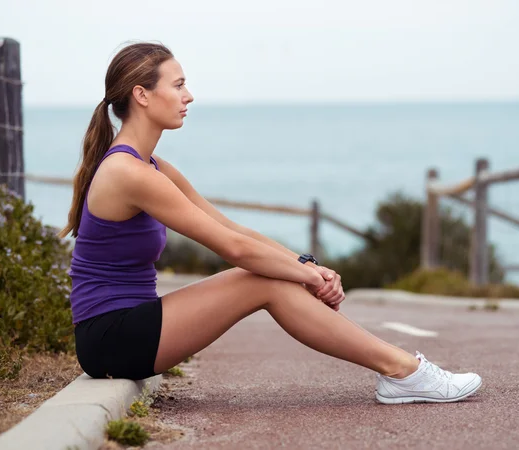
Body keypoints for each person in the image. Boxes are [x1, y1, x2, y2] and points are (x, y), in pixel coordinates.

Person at [59, 41, 482, 405]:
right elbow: (234, 250)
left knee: (269, 276)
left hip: (134, 323)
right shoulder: (128, 173)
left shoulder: (152, 167)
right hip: (110, 338)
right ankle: (404, 371)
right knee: (259, 278)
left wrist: (306, 264)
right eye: (179, 84)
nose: (189, 96)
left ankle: (402, 372)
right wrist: (309, 278)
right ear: (142, 95)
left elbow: (236, 230)